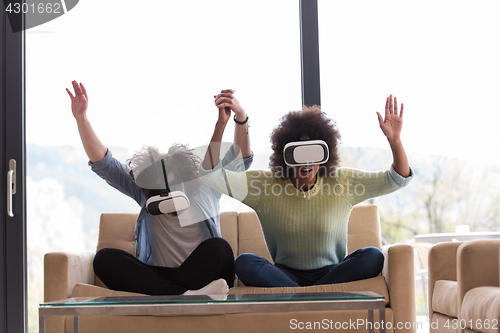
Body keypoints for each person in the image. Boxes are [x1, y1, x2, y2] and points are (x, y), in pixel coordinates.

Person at [200, 94, 414, 287]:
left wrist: (394, 140)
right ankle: (312, 293)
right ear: (285, 156)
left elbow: (397, 179)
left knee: (373, 256)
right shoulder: (264, 186)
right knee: (244, 262)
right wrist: (222, 123)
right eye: (298, 153)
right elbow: (211, 175)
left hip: (333, 271)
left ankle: (305, 293)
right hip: (284, 274)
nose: (306, 161)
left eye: (313, 152)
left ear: (325, 154)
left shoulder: (342, 181)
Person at [66, 81, 253, 295]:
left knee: (220, 249)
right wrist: (81, 118)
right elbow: (105, 164)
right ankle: (182, 296)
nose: (166, 191)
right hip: (159, 275)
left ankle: (170, 295)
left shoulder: (205, 186)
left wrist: (239, 118)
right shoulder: (145, 192)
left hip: (201, 274)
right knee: (104, 258)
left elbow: (240, 159)